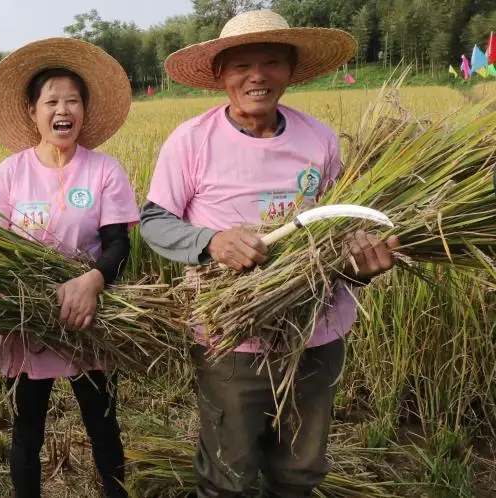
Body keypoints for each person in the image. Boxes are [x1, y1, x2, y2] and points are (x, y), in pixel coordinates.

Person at [140, 10, 399, 498]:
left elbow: (344, 226)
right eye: (241, 65)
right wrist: (210, 242)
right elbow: (154, 222)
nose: (256, 76)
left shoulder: (319, 139)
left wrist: (362, 266)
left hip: (316, 335)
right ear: (220, 74)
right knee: (228, 475)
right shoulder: (191, 141)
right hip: (229, 337)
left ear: (291, 70)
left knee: (299, 473)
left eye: (271, 62)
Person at [0, 38, 137, 498]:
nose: (62, 109)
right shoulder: (8, 174)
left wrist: (91, 282)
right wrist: (24, 296)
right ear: (33, 111)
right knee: (27, 428)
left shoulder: (105, 170)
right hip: (29, 318)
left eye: (73, 100)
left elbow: (117, 244)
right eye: (52, 100)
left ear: (84, 111)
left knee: (102, 423)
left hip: (90, 313)